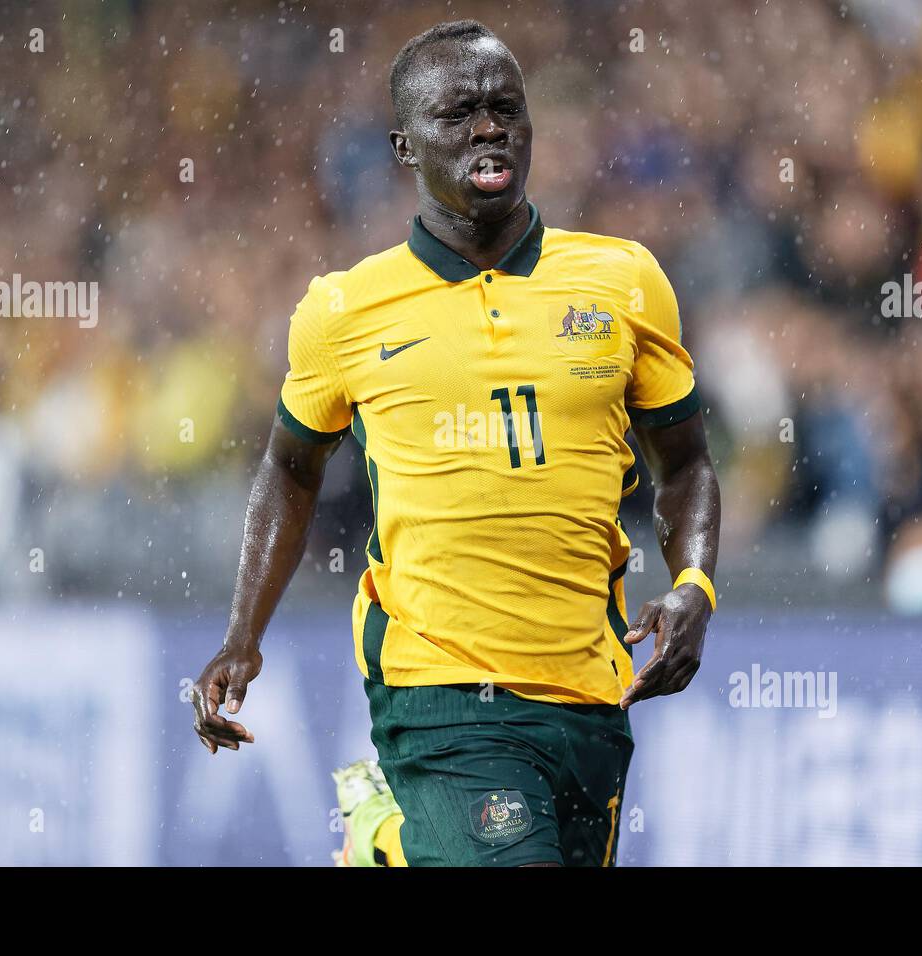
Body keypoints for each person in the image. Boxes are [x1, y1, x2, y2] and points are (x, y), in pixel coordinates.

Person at [192, 19, 721, 867]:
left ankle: (390, 845)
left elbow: (686, 461)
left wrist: (695, 584)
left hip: (590, 687)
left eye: (505, 107)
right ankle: (395, 838)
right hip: (438, 689)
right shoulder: (346, 309)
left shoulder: (625, 281)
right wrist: (242, 635)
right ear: (405, 144)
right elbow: (290, 470)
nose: (488, 127)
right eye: (459, 113)